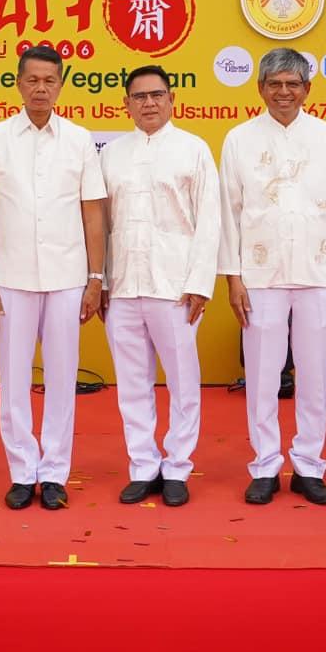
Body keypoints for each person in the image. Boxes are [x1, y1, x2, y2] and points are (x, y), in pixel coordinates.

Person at [0, 44, 109, 512]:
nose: (41, 89)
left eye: (49, 81)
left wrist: (95, 278)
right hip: (10, 278)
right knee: (13, 380)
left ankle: (53, 473)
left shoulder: (79, 140)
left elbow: (92, 214)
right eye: (32, 80)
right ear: (19, 84)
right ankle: (21, 471)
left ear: (61, 85)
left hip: (68, 277)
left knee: (63, 378)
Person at [221, 48, 326, 507]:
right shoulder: (239, 139)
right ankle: (265, 465)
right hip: (259, 275)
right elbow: (229, 213)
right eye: (275, 84)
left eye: (293, 84)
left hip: (319, 272)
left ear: (307, 89)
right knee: (262, 376)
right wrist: (233, 278)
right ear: (260, 88)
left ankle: (308, 466)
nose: (284, 92)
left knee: (315, 375)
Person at [99, 65, 222, 507]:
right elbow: (100, 224)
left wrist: (200, 283)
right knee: (131, 383)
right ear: (126, 105)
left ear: (172, 100)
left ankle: (177, 466)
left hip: (175, 287)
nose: (148, 103)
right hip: (123, 285)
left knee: (183, 381)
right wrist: (101, 281)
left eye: (157, 95)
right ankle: (143, 465)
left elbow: (209, 220)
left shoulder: (193, 149)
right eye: (139, 96)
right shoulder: (111, 155)